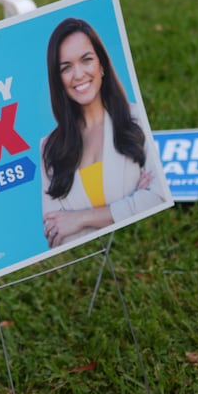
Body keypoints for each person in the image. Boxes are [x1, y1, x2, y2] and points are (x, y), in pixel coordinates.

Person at [38, 17, 168, 249]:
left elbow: (158, 197)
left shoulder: (136, 120)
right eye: (66, 68)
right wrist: (131, 202)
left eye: (86, 60)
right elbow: (57, 234)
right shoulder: (50, 147)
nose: (78, 74)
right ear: (57, 79)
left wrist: (80, 218)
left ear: (102, 65)